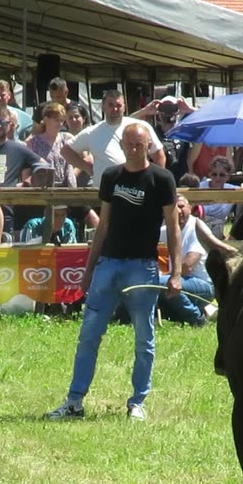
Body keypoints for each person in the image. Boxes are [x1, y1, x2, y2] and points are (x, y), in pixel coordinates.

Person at [46, 123, 180, 422]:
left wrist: (176, 271)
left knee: (144, 336)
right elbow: (102, 225)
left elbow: (173, 228)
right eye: (129, 144)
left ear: (149, 146)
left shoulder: (162, 179)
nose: (134, 149)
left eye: (140, 144)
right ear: (122, 145)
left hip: (142, 267)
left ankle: (137, 403)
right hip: (108, 263)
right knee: (89, 334)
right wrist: (88, 269)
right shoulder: (111, 177)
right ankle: (74, 402)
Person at [62, 90, 164, 184]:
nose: (115, 109)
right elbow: (66, 151)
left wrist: (157, 182)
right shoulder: (92, 132)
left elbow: (159, 155)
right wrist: (85, 167)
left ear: (124, 107)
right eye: (110, 105)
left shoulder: (140, 127)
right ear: (103, 107)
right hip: (103, 193)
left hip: (137, 190)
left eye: (118, 105)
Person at [157, 193, 214, 327]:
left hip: (203, 286)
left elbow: (188, 267)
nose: (178, 211)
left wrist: (162, 277)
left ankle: (197, 319)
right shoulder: (165, 230)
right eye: (173, 207)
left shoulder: (198, 228)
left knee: (163, 283)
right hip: (176, 280)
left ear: (190, 207)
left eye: (181, 206)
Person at [26, 102, 77, 188]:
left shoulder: (67, 138)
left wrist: (74, 173)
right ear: (46, 120)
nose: (60, 124)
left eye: (62, 121)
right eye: (57, 120)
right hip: (42, 189)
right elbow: (26, 168)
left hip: (67, 189)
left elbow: (86, 156)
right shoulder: (33, 142)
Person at [196, 155, 239, 237]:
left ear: (228, 176)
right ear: (209, 174)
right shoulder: (199, 187)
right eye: (214, 174)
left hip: (217, 229)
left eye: (222, 175)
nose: (217, 178)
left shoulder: (232, 190)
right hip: (198, 226)